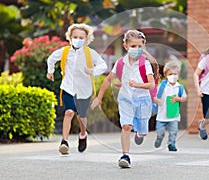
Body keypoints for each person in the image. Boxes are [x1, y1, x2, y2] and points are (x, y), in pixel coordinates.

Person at [90, 29, 159, 168]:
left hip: (142, 101)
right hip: (125, 99)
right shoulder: (121, 62)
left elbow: (151, 85)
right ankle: (125, 156)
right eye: (133, 46)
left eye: (140, 46)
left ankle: (139, 134)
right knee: (126, 126)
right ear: (126, 46)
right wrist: (99, 97)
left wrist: (137, 85)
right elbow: (108, 79)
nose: (137, 49)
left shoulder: (144, 64)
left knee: (142, 131)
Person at [47, 23, 107, 155]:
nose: (78, 39)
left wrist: (92, 71)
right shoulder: (65, 51)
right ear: (70, 37)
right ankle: (64, 142)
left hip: (84, 90)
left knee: (81, 116)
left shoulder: (90, 53)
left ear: (86, 39)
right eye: (75, 36)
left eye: (81, 37)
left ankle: (83, 134)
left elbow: (103, 65)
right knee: (69, 112)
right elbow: (51, 59)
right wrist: (50, 71)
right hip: (68, 88)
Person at [153, 61, 187, 152]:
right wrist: (157, 100)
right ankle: (159, 139)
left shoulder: (180, 87)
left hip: (174, 114)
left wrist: (178, 99)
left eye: (175, 74)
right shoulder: (162, 86)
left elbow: (184, 98)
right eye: (170, 74)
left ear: (178, 75)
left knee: (173, 132)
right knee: (160, 132)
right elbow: (153, 96)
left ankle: (171, 144)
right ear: (166, 75)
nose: (173, 76)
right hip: (161, 115)